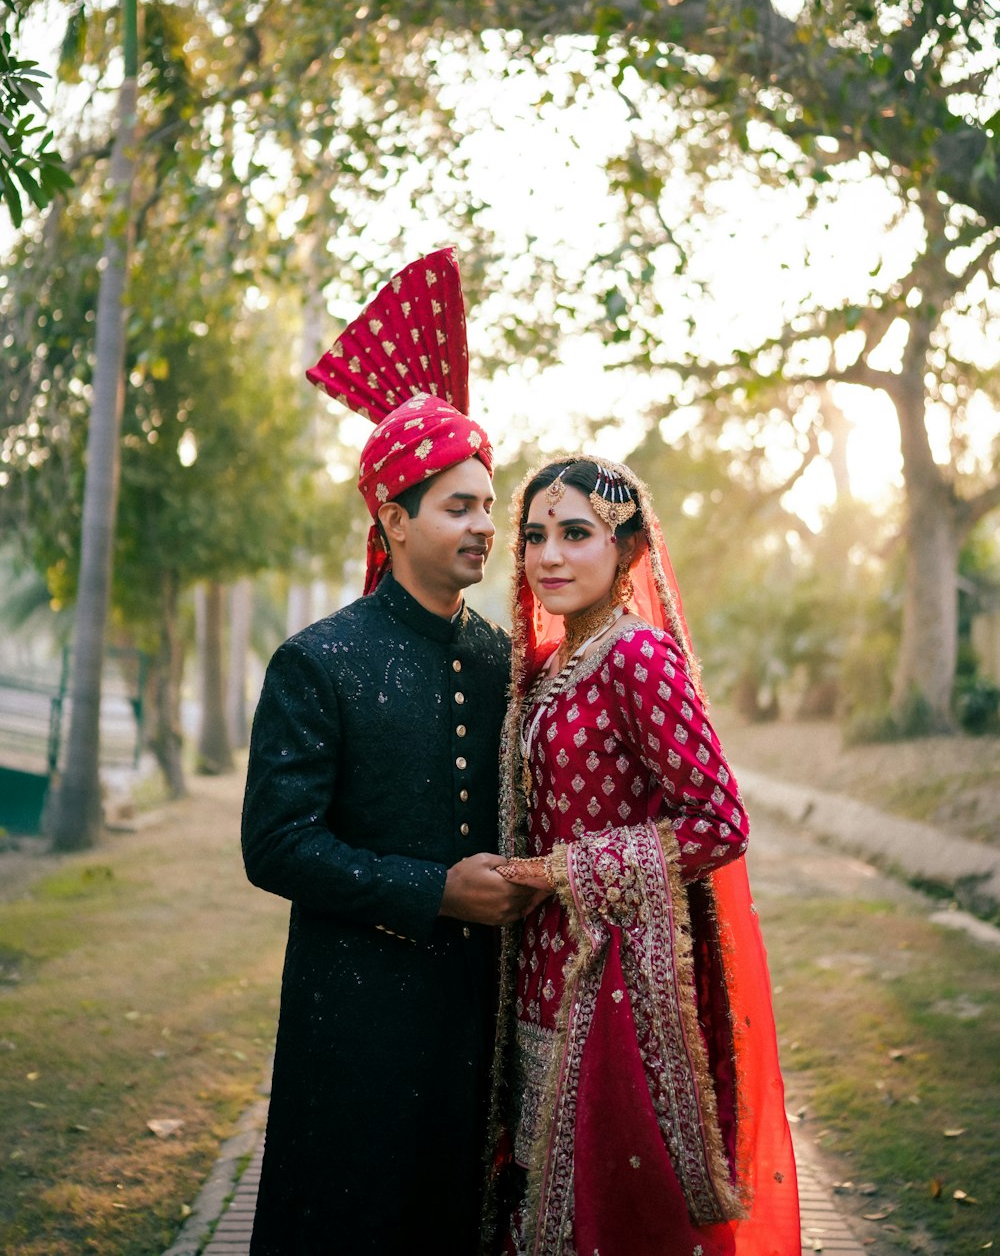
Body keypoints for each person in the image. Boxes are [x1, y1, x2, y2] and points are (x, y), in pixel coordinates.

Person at [242, 249, 538, 1255]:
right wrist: (434, 891)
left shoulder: (503, 661)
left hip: (477, 1019)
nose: (484, 528)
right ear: (393, 517)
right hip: (352, 1018)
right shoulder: (317, 662)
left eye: (489, 507)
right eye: (458, 507)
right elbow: (275, 846)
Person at [486, 455, 801, 1256]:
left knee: (610, 1205)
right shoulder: (555, 667)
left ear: (626, 551)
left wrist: (565, 872)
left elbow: (721, 820)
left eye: (576, 534)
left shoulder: (638, 658)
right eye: (534, 536)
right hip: (544, 967)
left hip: (618, 977)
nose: (549, 555)